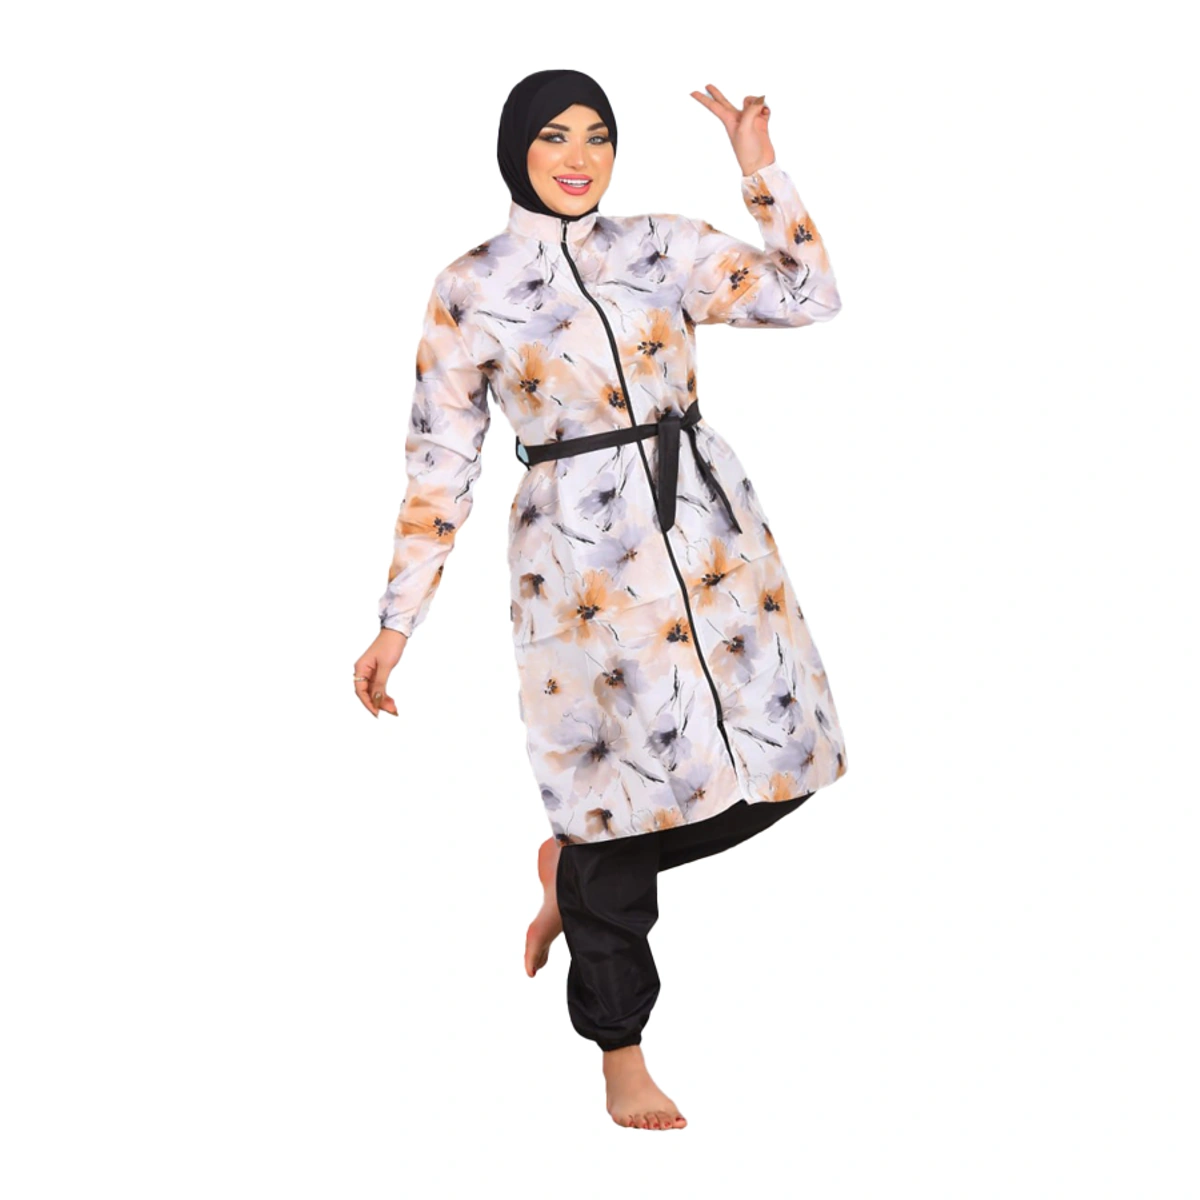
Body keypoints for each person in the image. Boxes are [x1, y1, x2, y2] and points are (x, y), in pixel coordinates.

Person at [354, 70, 848, 1130]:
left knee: (786, 762)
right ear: (515, 150)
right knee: (615, 802)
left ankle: (568, 873)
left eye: (596, 136)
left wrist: (758, 166)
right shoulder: (469, 285)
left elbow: (808, 296)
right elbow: (440, 461)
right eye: (553, 136)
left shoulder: (659, 246)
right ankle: (623, 1052)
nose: (578, 157)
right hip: (580, 566)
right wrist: (398, 621)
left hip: (710, 532)